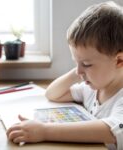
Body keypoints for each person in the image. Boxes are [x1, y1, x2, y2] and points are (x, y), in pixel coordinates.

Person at [7, 1, 123, 150]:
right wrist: (80, 69)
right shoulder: (94, 88)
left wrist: (44, 131)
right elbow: (52, 94)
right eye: (75, 62)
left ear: (119, 60)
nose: (79, 71)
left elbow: (110, 131)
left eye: (87, 64)